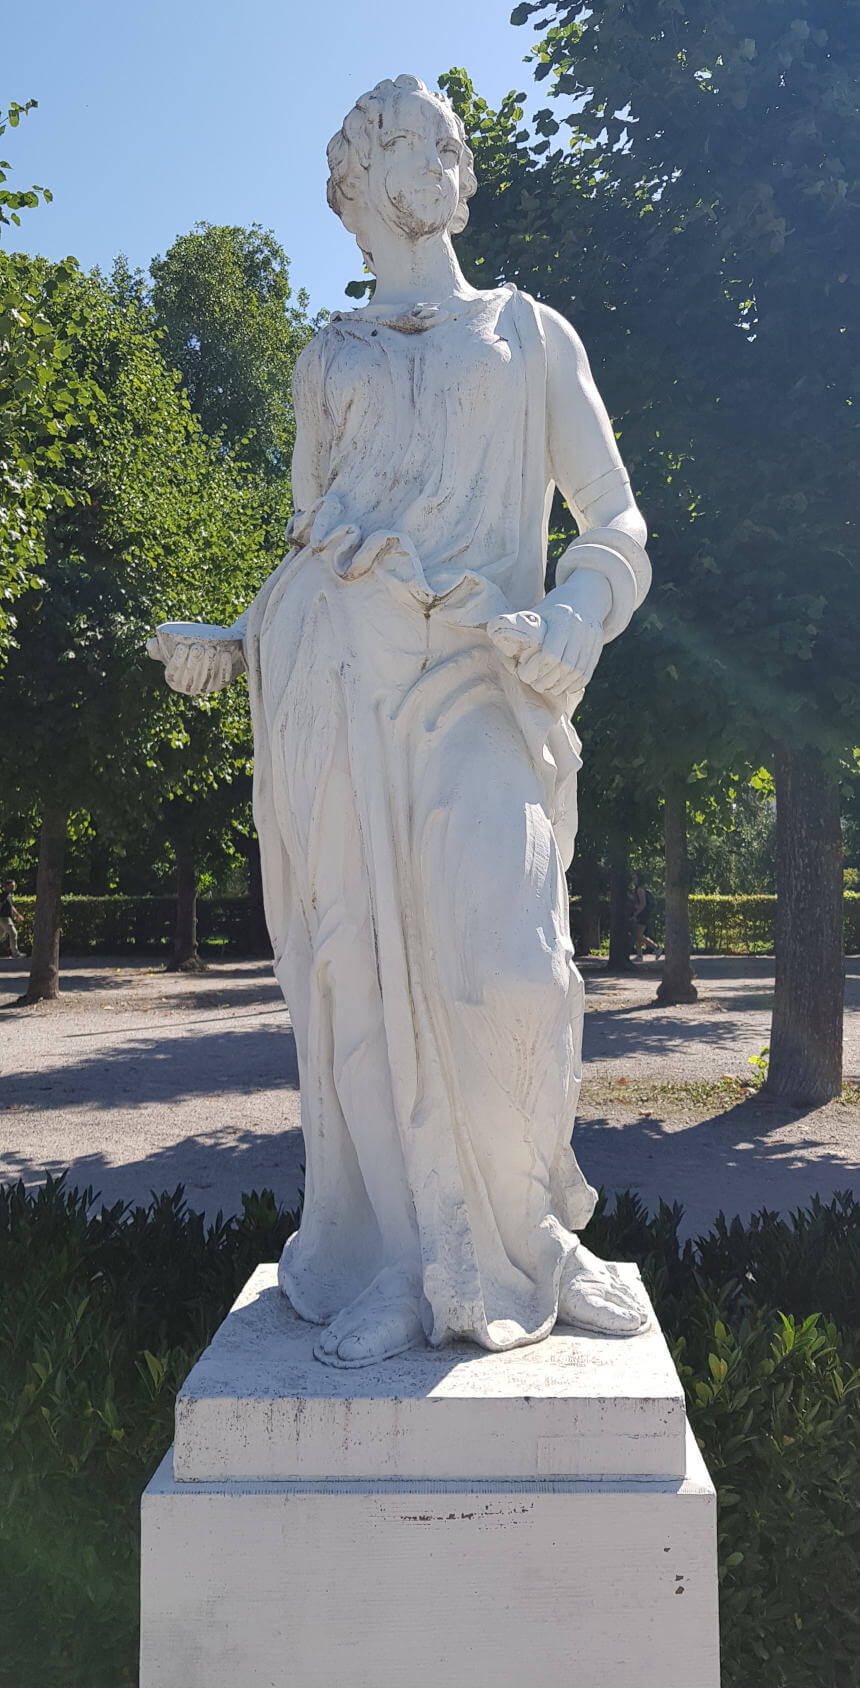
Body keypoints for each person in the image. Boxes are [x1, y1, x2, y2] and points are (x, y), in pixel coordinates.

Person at [149, 76, 652, 1366]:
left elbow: (613, 527)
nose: (446, 149)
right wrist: (237, 641)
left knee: (513, 973)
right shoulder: (330, 361)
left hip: (481, 696)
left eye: (446, 137)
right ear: (361, 185)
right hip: (338, 697)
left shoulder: (531, 336)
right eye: (411, 138)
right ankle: (392, 1258)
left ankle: (531, 1229)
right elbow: (318, 552)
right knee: (356, 984)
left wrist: (573, 619)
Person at [631, 874, 661, 961]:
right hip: (641, 914)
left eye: (635, 878)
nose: (633, 880)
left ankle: (656, 947)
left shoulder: (640, 890)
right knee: (637, 936)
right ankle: (639, 955)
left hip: (642, 915)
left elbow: (643, 904)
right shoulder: (637, 890)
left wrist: (635, 914)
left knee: (638, 935)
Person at [0, 879, 22, 957]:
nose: (13, 887)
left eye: (14, 886)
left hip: (5, 918)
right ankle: (15, 953)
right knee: (13, 934)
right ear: (6, 886)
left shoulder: (9, 895)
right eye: (11, 886)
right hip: (4, 918)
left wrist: (18, 915)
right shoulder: (3, 896)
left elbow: (11, 906)